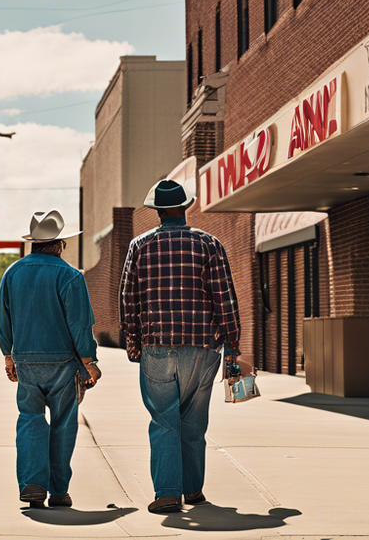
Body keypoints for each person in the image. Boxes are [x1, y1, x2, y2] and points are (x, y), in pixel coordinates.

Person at [119, 179, 241, 514]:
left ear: (157, 211)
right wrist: (232, 341)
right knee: (194, 420)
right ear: (185, 207)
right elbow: (224, 297)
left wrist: (133, 341)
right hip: (202, 347)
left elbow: (128, 299)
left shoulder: (139, 246)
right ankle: (193, 489)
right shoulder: (208, 244)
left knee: (163, 419)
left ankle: (167, 494)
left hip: (157, 345)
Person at [0, 210, 100, 508]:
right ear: (60, 243)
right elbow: (80, 325)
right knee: (63, 424)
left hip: (26, 360)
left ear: (32, 243)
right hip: (63, 363)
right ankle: (58, 490)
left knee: (29, 420)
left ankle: (32, 484)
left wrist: (8, 355)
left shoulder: (12, 273)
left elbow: (2, 318)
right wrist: (89, 362)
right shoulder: (70, 276)